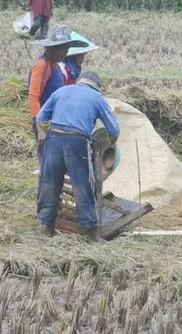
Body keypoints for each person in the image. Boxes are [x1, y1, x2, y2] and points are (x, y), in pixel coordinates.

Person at [35, 71, 120, 242]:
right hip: (77, 141)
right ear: (96, 87)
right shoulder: (96, 98)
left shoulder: (61, 91)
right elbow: (114, 129)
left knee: (49, 182)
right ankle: (92, 234)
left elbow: (41, 118)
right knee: (82, 185)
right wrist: (110, 142)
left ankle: (46, 227)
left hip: (53, 138)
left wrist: (51, 133)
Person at [28, 26, 89, 160]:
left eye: (67, 49)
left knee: (55, 159)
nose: (65, 53)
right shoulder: (41, 66)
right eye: (62, 49)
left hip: (56, 119)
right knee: (46, 159)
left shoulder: (55, 66)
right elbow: (33, 95)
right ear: (51, 48)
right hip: (44, 120)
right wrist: (39, 127)